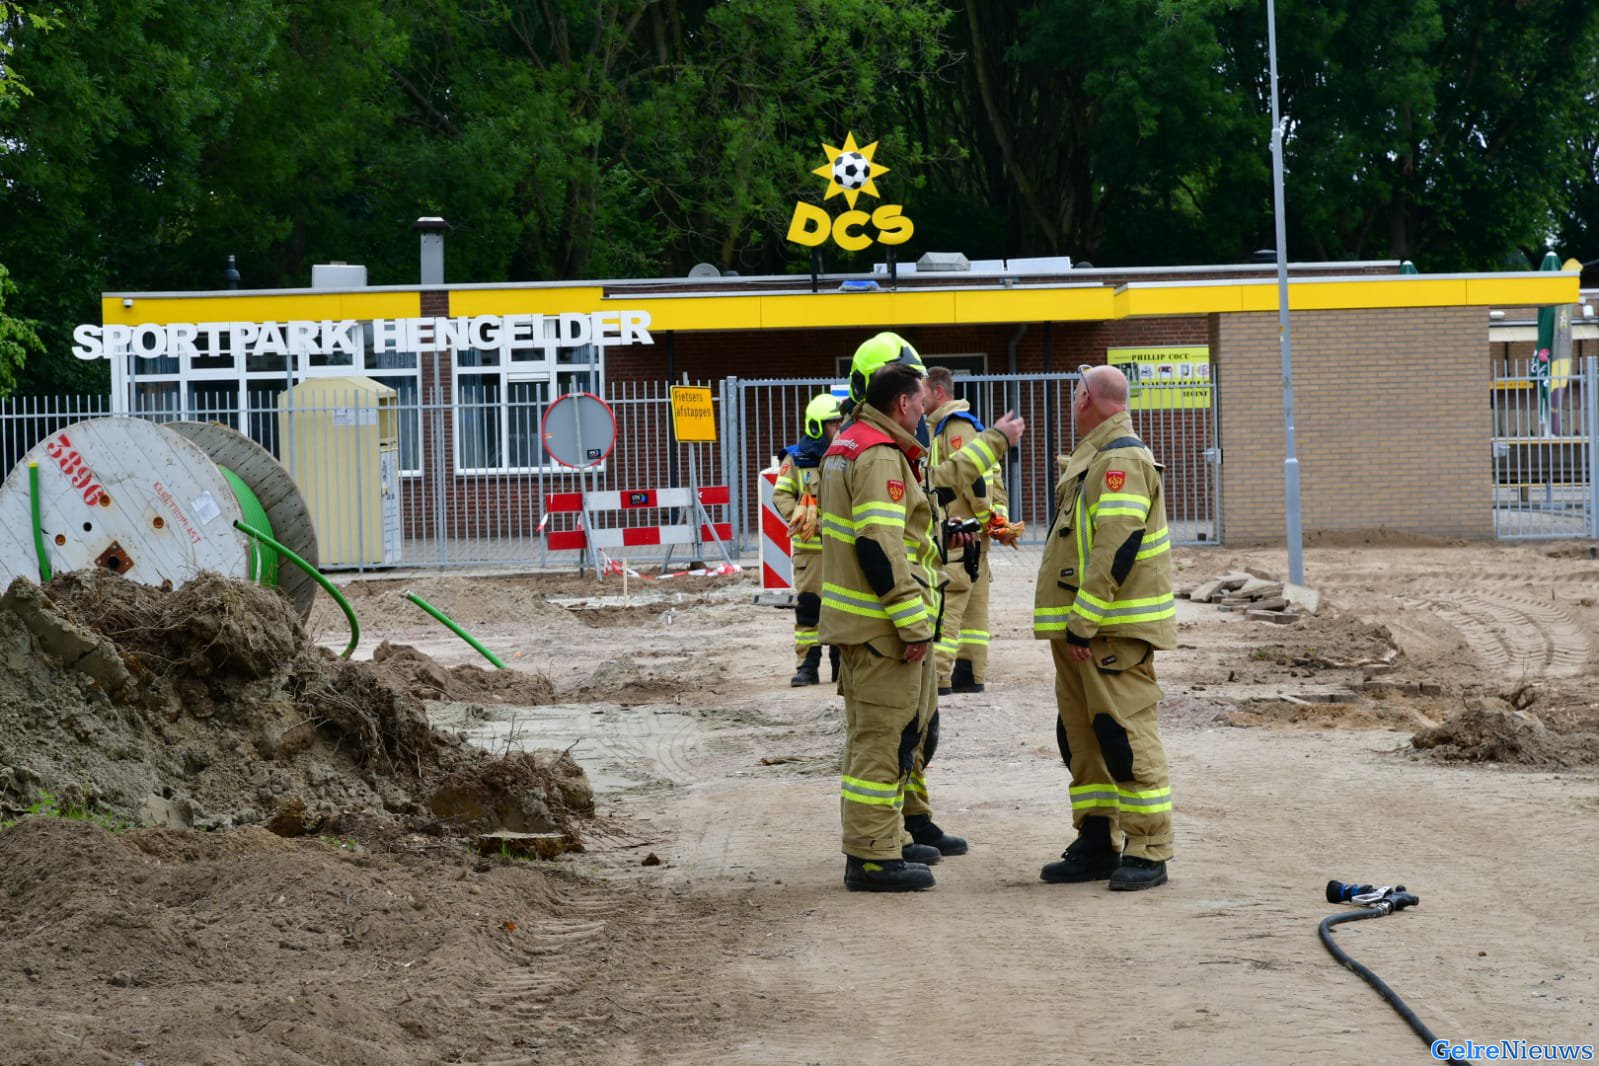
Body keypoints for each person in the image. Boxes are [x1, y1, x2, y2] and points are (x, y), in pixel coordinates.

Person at [819, 332, 1021, 890]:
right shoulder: (879, 454)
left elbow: (915, 514)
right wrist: (912, 623)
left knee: (903, 734)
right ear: (903, 401)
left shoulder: (858, 444)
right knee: (883, 740)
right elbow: (878, 544)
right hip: (885, 628)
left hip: (874, 626)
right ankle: (872, 857)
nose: (925, 404)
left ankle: (893, 837)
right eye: (918, 395)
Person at [1033, 364, 1177, 891]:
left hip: (1107, 632)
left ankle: (1149, 848)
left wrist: (1083, 621)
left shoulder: (1120, 459)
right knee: (1082, 741)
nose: (1071, 406)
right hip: (1084, 634)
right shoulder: (1095, 458)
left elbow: (1119, 544)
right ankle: (1097, 839)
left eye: (1074, 396)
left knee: (1124, 738)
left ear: (1087, 398)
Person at [922, 366, 1025, 696]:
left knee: (949, 604)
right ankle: (970, 673)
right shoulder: (945, 427)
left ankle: (939, 676)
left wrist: (991, 522)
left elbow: (973, 478)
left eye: (922, 390)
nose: (918, 397)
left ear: (939, 392)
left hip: (961, 532)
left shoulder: (955, 427)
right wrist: (994, 525)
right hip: (974, 532)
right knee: (974, 606)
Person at [772, 392, 844, 686]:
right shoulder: (797, 459)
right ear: (817, 426)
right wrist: (800, 520)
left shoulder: (845, 457)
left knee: (842, 609)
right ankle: (807, 667)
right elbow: (781, 495)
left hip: (841, 550)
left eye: (840, 422)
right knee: (808, 610)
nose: (838, 428)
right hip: (810, 552)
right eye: (832, 424)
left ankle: (842, 668)